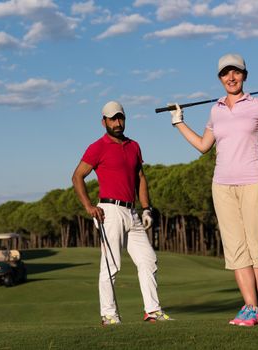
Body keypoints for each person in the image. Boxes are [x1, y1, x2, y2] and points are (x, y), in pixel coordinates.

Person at [169, 53, 258, 327]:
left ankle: (250, 309)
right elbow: (202, 145)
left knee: (256, 248)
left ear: (244, 75)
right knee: (235, 250)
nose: (230, 77)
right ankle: (252, 309)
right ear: (220, 78)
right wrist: (179, 122)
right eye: (225, 73)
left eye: (236, 72)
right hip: (221, 186)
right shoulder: (216, 110)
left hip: (253, 183)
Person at [72, 100, 173, 326]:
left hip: (132, 212)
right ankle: (109, 315)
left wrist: (146, 208)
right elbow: (77, 176)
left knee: (148, 260)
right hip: (109, 211)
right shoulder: (97, 147)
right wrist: (89, 206)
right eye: (112, 118)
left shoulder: (134, 146)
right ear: (104, 121)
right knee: (111, 264)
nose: (117, 122)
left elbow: (140, 178)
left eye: (120, 118)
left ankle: (152, 311)